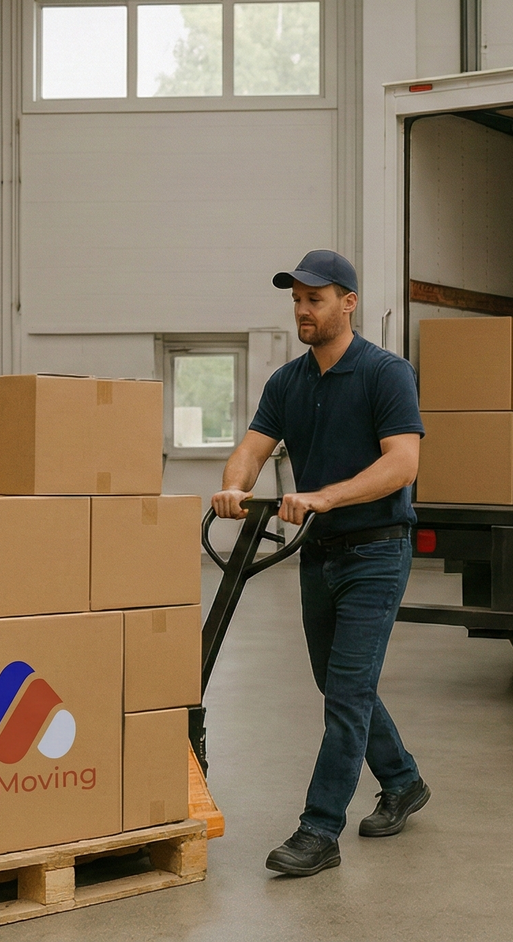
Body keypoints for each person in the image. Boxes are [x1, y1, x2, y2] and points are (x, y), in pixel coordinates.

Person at [210, 248, 431, 878]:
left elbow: (402, 464)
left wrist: (321, 497)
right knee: (338, 686)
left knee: (347, 693)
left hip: (376, 551)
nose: (304, 311)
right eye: (298, 301)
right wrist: (234, 484)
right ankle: (404, 780)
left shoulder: (385, 373)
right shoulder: (288, 382)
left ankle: (319, 829)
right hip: (318, 554)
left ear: (349, 302)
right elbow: (252, 449)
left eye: (317, 299)